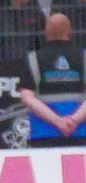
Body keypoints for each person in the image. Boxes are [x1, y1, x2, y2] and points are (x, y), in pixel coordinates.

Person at [18, 14, 84, 146]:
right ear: (70, 32)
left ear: (46, 33)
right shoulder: (84, 57)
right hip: (81, 132)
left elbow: (27, 98)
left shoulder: (32, 59)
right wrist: (74, 121)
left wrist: (58, 122)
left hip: (43, 133)